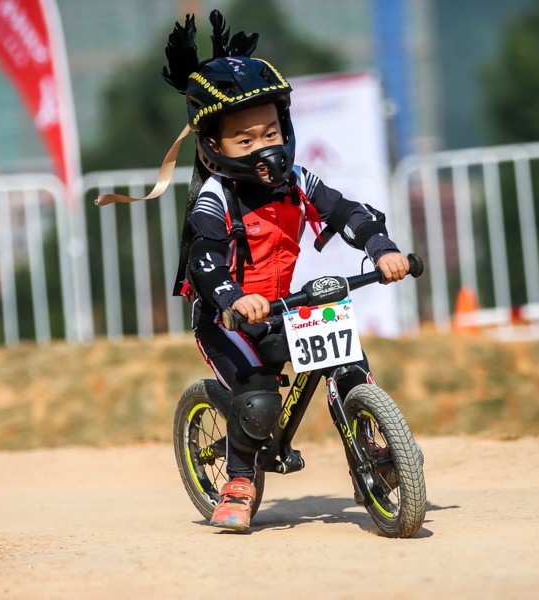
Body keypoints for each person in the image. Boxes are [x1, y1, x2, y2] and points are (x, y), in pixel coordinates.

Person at [162, 11, 410, 531]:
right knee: (256, 398)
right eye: (245, 140)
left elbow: (347, 211)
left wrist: (383, 247)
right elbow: (203, 259)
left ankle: (374, 449)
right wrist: (231, 297)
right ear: (213, 148)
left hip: (283, 305)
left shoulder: (297, 180)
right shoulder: (215, 197)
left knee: (349, 359)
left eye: (270, 131)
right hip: (226, 317)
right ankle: (238, 481)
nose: (263, 147)